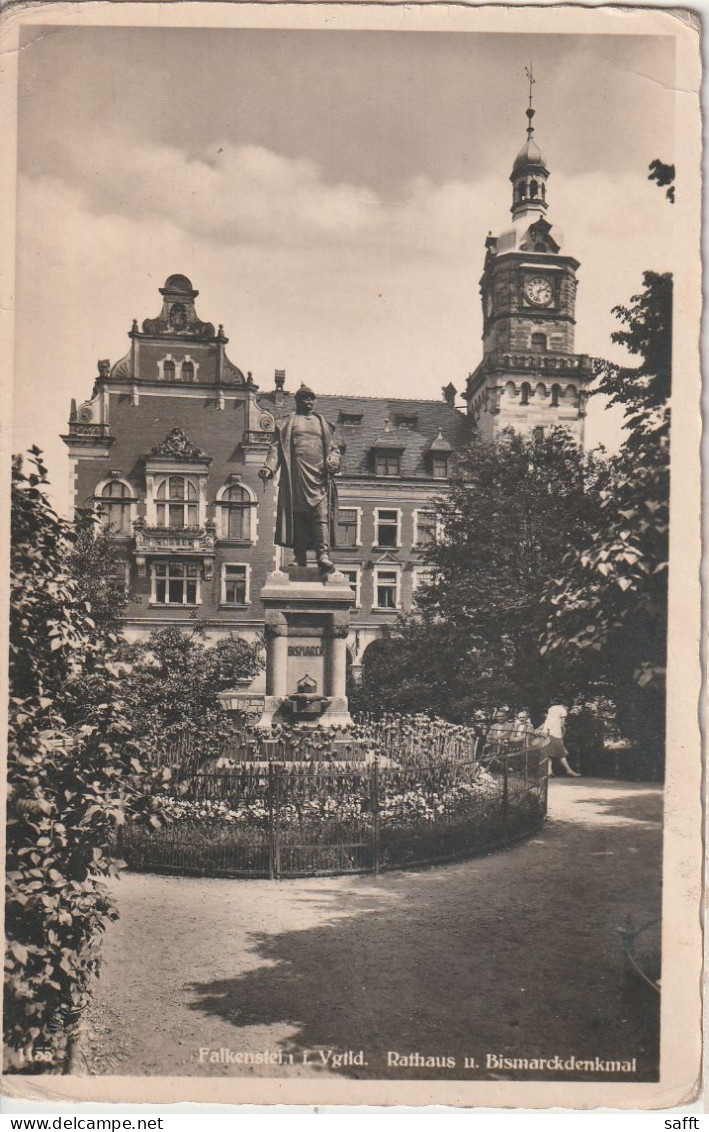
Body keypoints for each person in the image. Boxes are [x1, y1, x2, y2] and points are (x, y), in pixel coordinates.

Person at [259, 384, 341, 572]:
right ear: (297, 401)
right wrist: (268, 468)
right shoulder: (287, 422)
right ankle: (300, 557)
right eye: (305, 398)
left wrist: (334, 461)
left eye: (312, 398)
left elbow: (334, 450)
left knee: (321, 516)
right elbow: (276, 449)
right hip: (295, 476)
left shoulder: (324, 424)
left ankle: (323, 555)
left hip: (319, 477)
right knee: (298, 518)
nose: (309, 401)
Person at [539, 701, 580, 776]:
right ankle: (568, 770)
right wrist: (563, 732)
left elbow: (547, 722)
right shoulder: (563, 710)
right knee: (561, 753)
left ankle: (549, 771)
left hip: (546, 732)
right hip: (555, 733)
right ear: (566, 706)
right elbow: (562, 724)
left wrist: (539, 728)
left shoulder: (551, 709)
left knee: (549, 752)